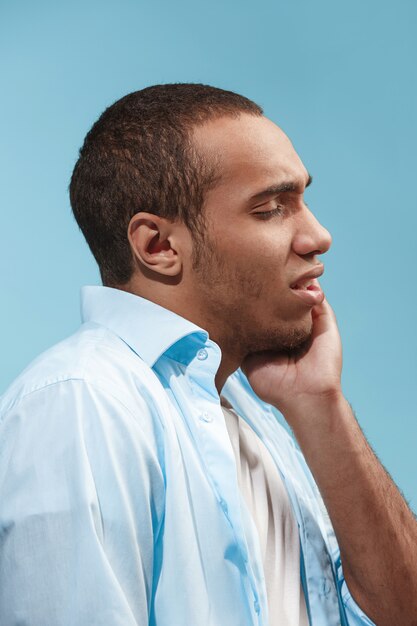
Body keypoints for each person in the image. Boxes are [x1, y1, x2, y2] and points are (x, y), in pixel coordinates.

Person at [0, 83, 415, 626]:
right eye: (271, 208)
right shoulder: (83, 405)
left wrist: (318, 402)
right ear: (159, 247)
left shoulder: (253, 415)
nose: (318, 235)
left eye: (303, 200)